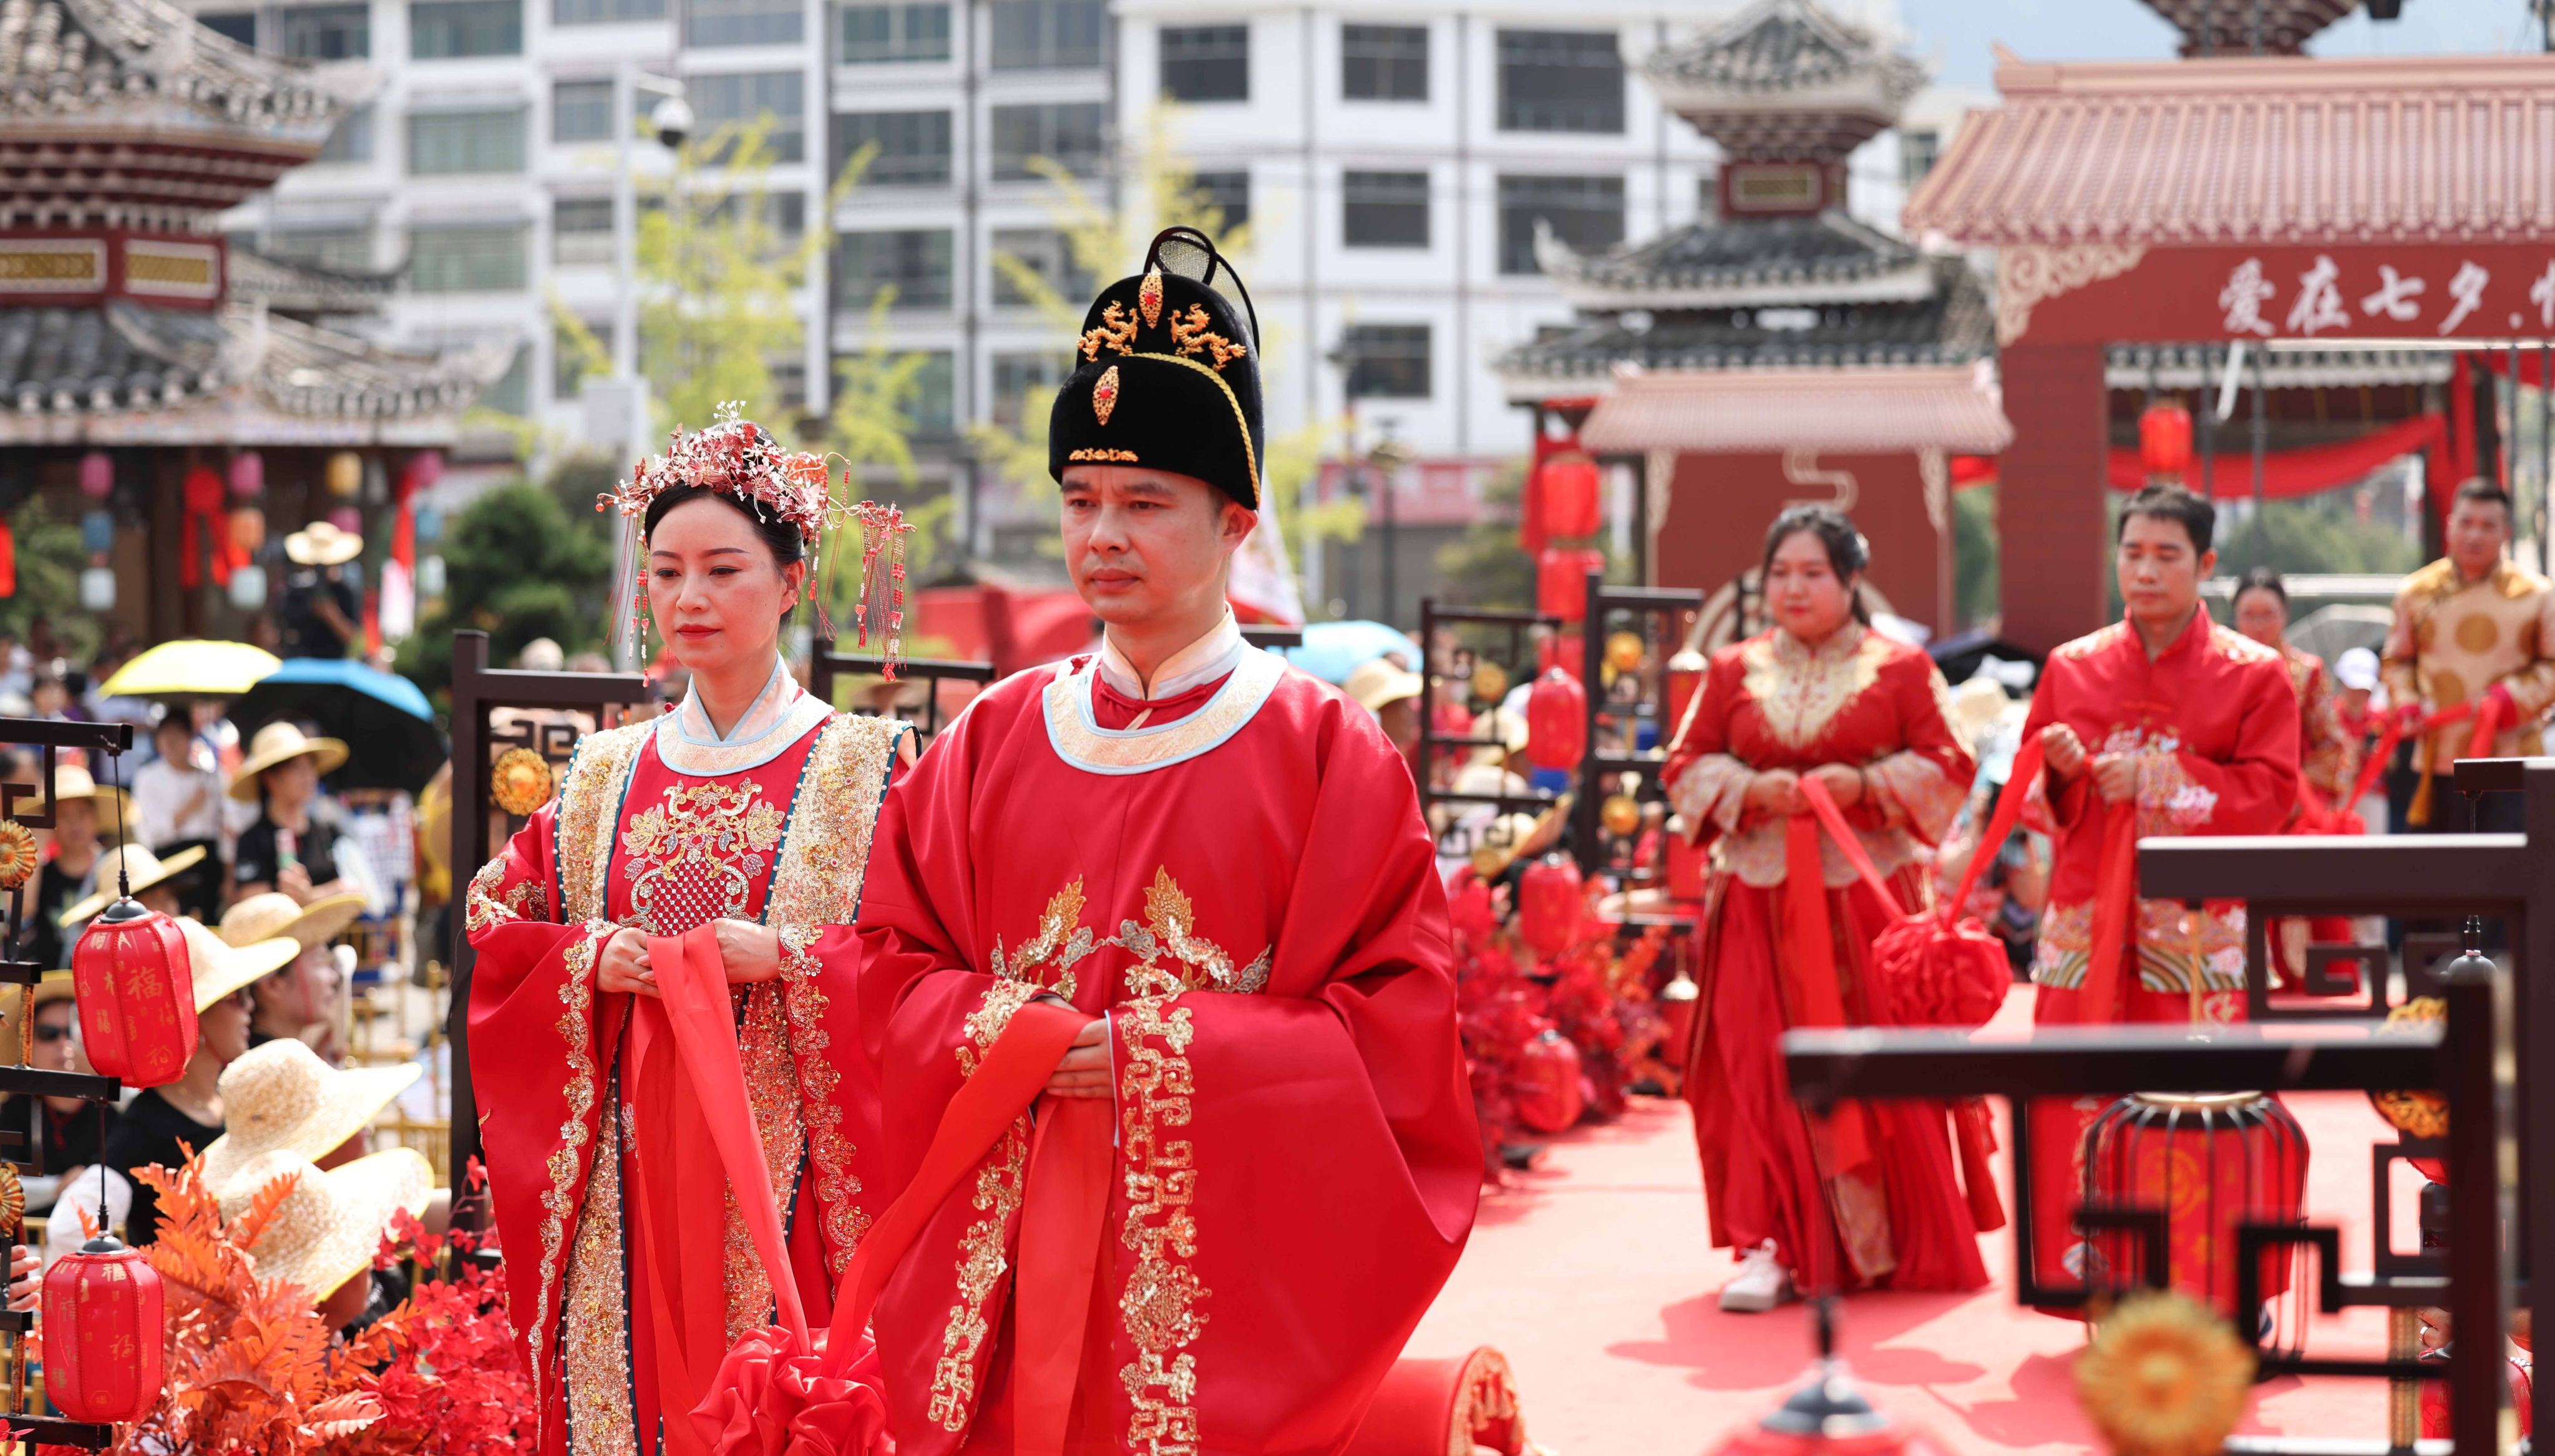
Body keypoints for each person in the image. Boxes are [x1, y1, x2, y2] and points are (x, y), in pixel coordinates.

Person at [855, 229, 1477, 1455]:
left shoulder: (1322, 751)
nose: (1103, 536)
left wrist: (1157, 1057)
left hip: (1225, 1262)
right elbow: (888, 968)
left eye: (1146, 504)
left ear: (1235, 519)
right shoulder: (988, 740)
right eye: (1081, 502)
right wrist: (1021, 1041)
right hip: (1015, 1231)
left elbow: (1396, 1023)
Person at [465, 409, 909, 1454]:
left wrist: (795, 959)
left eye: (723, 568)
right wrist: (590, 959)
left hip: (789, 1175)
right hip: (626, 1176)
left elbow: (927, 962)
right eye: (667, 573)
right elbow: (497, 917)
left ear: (793, 581)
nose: (690, 598)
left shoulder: (869, 766)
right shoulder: (602, 773)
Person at [1662, 504, 1986, 1313]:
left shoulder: (1902, 668)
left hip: (1863, 905)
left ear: (1848, 581)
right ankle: (1768, 1242)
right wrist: (1746, 788)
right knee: (1754, 1063)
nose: (1793, 588)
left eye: (1811, 573)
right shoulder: (1730, 670)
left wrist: (1864, 786)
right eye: (1779, 573)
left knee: (1869, 1064)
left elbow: (1950, 761)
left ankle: (1878, 1239)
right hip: (1755, 900)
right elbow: (1683, 763)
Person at [2019, 485, 2300, 1292]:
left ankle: (2207, 1276)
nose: (2142, 570)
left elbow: (2271, 795)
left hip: (2194, 929)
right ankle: (2090, 1266)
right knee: (2077, 1086)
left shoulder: (2253, 674)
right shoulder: (2071, 664)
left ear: (2204, 565)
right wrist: (2062, 773)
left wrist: (2151, 776)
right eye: (2130, 552)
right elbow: (2031, 798)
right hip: (2084, 916)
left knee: (2199, 1094)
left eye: (2164, 554)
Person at [94, 919, 296, 1242]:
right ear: (192, 1019)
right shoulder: (142, 1130)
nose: (250, 1006)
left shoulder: (233, 1098)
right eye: (236, 996)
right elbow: (73, 1228)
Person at [2378, 480, 2555, 835]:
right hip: (2435, 759)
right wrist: (2408, 704)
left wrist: (2510, 699)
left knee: (2510, 878)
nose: (2474, 535)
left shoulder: (2539, 595)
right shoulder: (2416, 592)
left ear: (2506, 532)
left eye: (2487, 526)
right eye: (2466, 522)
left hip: (2513, 759)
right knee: (2436, 880)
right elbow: (2397, 662)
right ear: (2449, 525)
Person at [0, 977, 111, 1220]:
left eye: (74, 1031)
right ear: (27, 1047)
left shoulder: (115, 1110)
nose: (64, 1044)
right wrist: (59, 1187)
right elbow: (3, 1188)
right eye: (48, 1034)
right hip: (28, 1249)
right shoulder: (11, 1113)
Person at [220, 890, 367, 1059]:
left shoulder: (272, 1061)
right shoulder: (268, 1073)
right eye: (319, 962)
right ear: (272, 985)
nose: (333, 978)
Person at [228, 722, 361, 908]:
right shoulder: (254, 840)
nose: (308, 777)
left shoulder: (326, 831)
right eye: (297, 769)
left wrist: (311, 897)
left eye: (310, 767)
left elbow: (355, 887)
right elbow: (254, 905)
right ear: (270, 778)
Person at [22, 764, 124, 971]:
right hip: (53, 986)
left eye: (82, 813)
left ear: (96, 818)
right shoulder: (42, 873)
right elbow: (25, 911)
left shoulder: (114, 868)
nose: (74, 823)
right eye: (63, 816)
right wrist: (35, 848)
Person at [132, 710, 228, 919]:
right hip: (170, 856)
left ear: (190, 738)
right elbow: (153, 830)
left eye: (178, 735)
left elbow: (225, 824)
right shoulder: (147, 777)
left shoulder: (212, 777)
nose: (171, 742)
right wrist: (190, 807)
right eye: (166, 735)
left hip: (208, 857)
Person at [277, 521, 363, 661]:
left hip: (334, 667)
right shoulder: (296, 591)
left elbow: (354, 638)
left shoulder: (345, 592)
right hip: (300, 664)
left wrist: (331, 615)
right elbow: (285, 630)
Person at [1345, 653, 1425, 768]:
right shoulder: (1365, 769)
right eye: (1400, 703)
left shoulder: (1395, 761)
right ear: (1378, 714)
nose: (1412, 709)